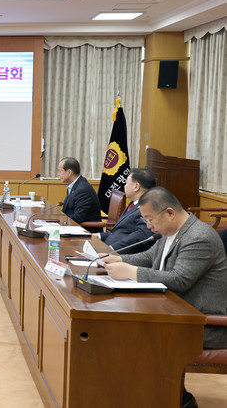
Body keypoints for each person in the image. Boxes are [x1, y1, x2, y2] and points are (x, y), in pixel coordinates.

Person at [103, 187, 227, 408]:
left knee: (130, 334)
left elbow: (180, 279)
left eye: (150, 219)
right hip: (174, 313)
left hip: (201, 323)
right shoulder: (172, 232)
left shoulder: (199, 237)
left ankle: (177, 400)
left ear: (170, 213)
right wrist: (118, 259)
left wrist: (131, 272)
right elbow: (150, 256)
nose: (148, 225)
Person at [96, 168, 155, 253]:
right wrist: (99, 235)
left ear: (136, 186)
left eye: (127, 183)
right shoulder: (133, 204)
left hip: (120, 255)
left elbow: (141, 236)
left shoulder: (147, 208)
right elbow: (121, 232)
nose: (124, 186)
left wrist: (112, 249)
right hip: (108, 250)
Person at [57, 157, 102, 229]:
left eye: (60, 171)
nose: (58, 174)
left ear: (69, 172)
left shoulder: (83, 190)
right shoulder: (74, 185)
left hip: (86, 230)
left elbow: (78, 217)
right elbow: (67, 211)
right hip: (73, 226)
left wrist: (62, 222)